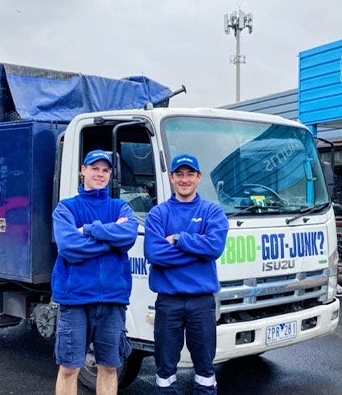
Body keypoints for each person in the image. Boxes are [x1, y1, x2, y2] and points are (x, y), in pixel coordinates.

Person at [51, 149, 139, 395]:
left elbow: (128, 236)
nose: (100, 173)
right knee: (69, 368)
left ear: (110, 174)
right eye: (94, 168)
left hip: (112, 300)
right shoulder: (66, 208)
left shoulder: (120, 207)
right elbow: (69, 247)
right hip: (75, 299)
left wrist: (88, 229)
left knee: (110, 367)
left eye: (105, 169)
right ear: (83, 171)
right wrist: (111, 239)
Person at [144, 154, 230, 394]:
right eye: (179, 174)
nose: (184, 179)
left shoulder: (212, 211)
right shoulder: (158, 214)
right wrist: (197, 251)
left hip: (201, 303)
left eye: (190, 174)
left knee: (204, 371)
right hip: (168, 303)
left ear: (198, 177)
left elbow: (214, 247)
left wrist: (179, 239)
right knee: (165, 371)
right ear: (171, 177)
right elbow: (154, 253)